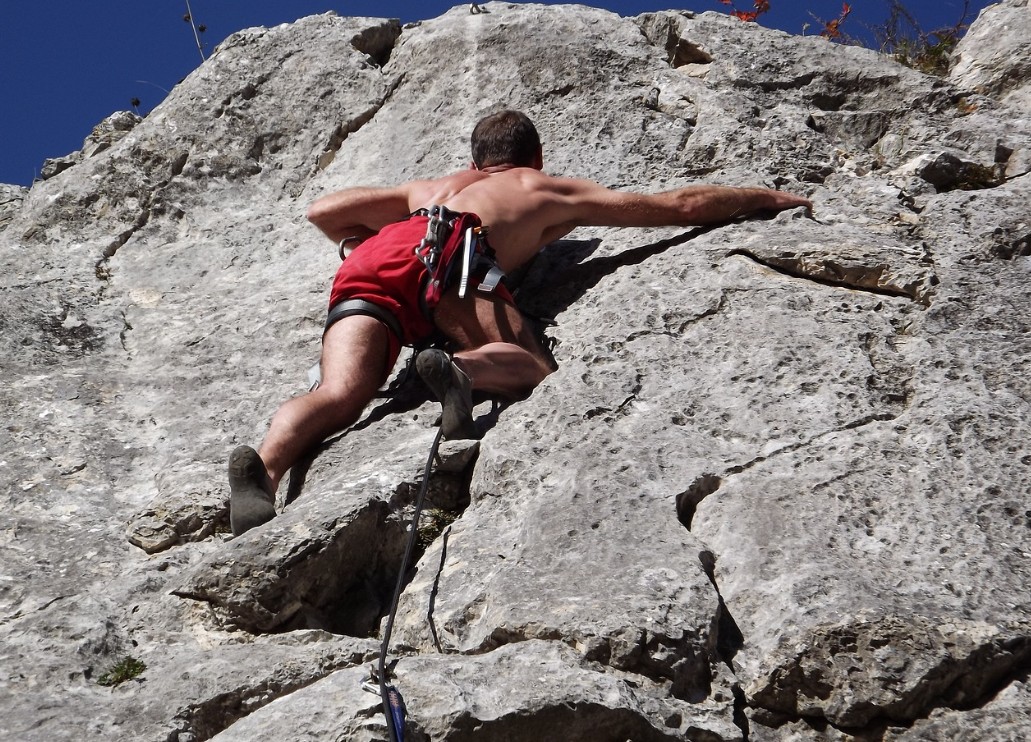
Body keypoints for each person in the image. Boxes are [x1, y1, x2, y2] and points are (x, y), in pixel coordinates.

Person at [228, 110, 811, 535]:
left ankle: (268, 470)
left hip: (380, 258)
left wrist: (358, 239)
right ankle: (463, 367)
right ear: (534, 156)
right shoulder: (541, 187)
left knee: (338, 391)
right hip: (456, 255)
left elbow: (322, 212)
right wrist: (760, 196)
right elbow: (677, 206)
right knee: (533, 367)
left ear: (476, 159)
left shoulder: (432, 187)